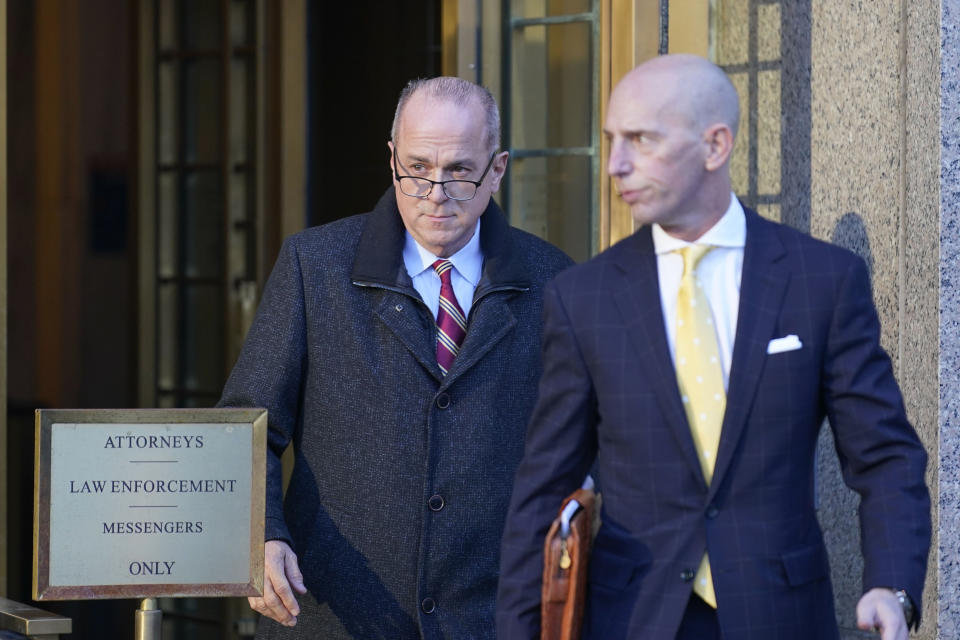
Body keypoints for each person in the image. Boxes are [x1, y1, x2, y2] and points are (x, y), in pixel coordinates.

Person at [496, 54, 930, 640]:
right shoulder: (583, 298)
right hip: (632, 620)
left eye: (642, 140)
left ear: (715, 145)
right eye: (611, 140)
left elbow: (886, 457)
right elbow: (545, 487)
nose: (616, 165)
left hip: (781, 617)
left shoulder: (821, 281)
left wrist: (893, 587)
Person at [219, 76, 573, 639]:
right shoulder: (315, 266)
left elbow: (585, 452)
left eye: (459, 171)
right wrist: (260, 535)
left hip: (495, 620)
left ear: (497, 169)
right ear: (391, 161)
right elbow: (244, 426)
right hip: (333, 617)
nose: (435, 192)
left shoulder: (555, 281)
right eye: (417, 168)